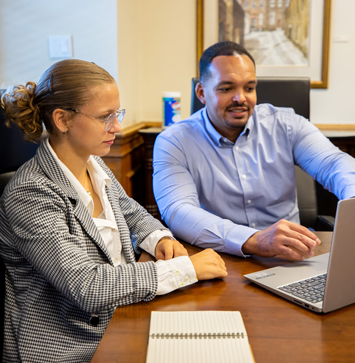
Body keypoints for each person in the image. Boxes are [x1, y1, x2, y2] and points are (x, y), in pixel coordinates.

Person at [0, 59, 227, 363]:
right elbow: (88, 286)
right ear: (63, 119)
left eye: (117, 114)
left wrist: (159, 239)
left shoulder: (93, 163)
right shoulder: (30, 193)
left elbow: (131, 211)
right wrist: (184, 270)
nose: (117, 127)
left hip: (120, 319)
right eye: (105, 116)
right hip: (71, 347)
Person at [153, 41, 355, 260]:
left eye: (249, 88)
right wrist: (254, 240)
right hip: (219, 260)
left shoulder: (287, 124)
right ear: (201, 92)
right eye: (227, 88)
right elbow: (178, 211)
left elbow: (334, 163)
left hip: (290, 256)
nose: (241, 98)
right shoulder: (174, 142)